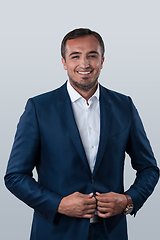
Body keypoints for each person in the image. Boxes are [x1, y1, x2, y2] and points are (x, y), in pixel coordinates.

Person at [4, 28, 159, 240]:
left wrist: (128, 200)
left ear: (102, 61)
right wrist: (59, 204)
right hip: (56, 232)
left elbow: (149, 168)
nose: (84, 64)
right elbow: (15, 176)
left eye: (92, 56)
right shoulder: (39, 108)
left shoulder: (124, 106)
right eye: (75, 56)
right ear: (64, 62)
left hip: (111, 232)